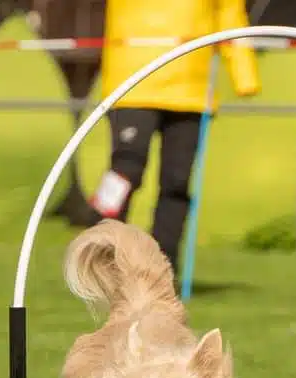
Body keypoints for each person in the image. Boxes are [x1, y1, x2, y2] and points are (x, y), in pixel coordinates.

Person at [89, 0, 261, 274]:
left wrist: (245, 74)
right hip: (133, 83)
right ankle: (98, 251)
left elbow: (230, 14)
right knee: (125, 169)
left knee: (176, 183)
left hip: (191, 91)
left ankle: (162, 269)